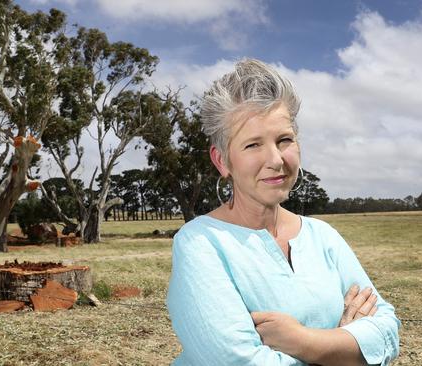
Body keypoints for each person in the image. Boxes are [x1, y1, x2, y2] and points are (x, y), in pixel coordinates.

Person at [167, 59, 400, 365]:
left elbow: (387, 332)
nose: (276, 159)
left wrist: (303, 341)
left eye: (284, 140)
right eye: (253, 145)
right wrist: (345, 346)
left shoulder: (322, 236)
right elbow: (237, 361)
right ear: (222, 161)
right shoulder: (200, 242)